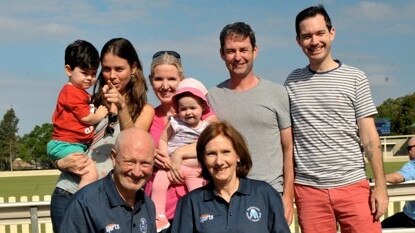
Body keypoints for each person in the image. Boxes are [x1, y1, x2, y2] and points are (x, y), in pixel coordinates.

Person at [284, 5, 388, 233]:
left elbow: (370, 137)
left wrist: (380, 186)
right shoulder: (292, 82)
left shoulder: (355, 78)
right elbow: (288, 141)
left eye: (320, 33)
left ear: (332, 33)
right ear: (298, 41)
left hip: (353, 187)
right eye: (306, 36)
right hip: (309, 192)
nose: (314, 41)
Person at [50, 38, 155, 233]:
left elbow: (133, 141)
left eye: (119, 69)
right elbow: (61, 137)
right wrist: (59, 163)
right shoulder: (90, 103)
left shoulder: (145, 110)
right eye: (106, 69)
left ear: (133, 68)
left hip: (108, 202)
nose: (112, 76)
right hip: (68, 192)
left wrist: (122, 106)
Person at [207, 22, 294, 224]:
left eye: (243, 50)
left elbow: (288, 147)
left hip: (270, 194)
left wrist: (288, 195)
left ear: (255, 51)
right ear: (222, 54)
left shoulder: (277, 93)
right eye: (231, 51)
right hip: (225, 197)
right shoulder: (211, 98)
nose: (238, 57)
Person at [171, 121, 291, 233]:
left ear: (238, 155)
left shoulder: (265, 194)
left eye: (226, 152)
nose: (219, 161)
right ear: (203, 159)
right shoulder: (191, 202)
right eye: (211, 154)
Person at [146, 51, 216, 230]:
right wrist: (151, 155)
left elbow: (216, 143)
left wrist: (178, 154)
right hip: (160, 208)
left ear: (181, 79)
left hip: (191, 207)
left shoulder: (205, 115)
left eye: (171, 79)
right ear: (150, 80)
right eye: (158, 79)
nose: (165, 85)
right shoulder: (149, 116)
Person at [60, 128, 157, 233]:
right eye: (130, 162)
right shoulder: (84, 204)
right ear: (114, 158)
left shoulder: (148, 205)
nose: (137, 172)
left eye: (145, 163)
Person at [47, 40, 108, 190]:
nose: (89, 78)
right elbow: (87, 118)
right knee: (90, 174)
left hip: (72, 144)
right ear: (69, 70)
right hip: (67, 144)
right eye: (84, 73)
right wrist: (100, 113)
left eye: (93, 74)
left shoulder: (80, 92)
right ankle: (81, 206)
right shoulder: (71, 92)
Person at [152, 78, 210, 231]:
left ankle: (202, 217)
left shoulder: (206, 128)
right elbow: (163, 140)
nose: (188, 112)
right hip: (170, 166)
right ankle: (159, 216)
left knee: (197, 193)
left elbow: (207, 149)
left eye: (193, 108)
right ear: (177, 110)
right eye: (183, 109)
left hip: (193, 169)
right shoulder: (175, 123)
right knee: (158, 185)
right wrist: (165, 159)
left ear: (203, 108)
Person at [382, 137, 415, 228]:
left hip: (411, 219)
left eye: (409, 148)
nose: (408, 152)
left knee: (381, 226)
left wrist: (377, 178)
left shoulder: (412, 165)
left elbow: (397, 178)